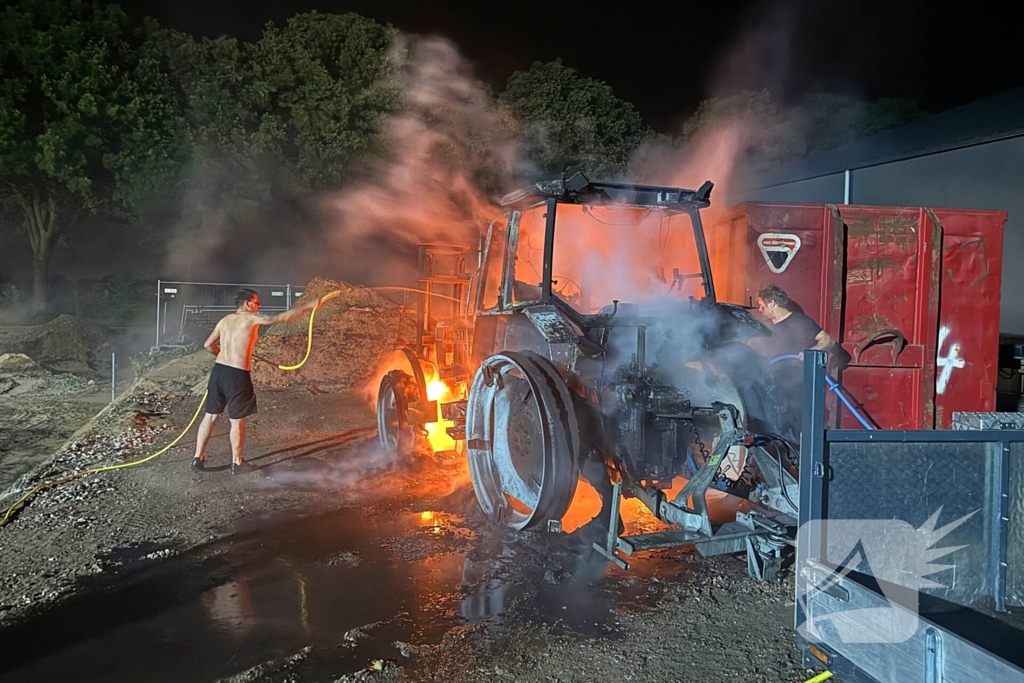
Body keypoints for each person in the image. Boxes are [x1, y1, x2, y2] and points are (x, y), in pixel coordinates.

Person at [192, 289, 320, 475]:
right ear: (247, 303)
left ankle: (198, 458)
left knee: (210, 416)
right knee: (236, 422)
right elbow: (283, 318)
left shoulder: (225, 321)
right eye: (257, 303)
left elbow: (207, 345)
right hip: (236, 375)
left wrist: (223, 356)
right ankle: (237, 463)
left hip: (219, 372)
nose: (258, 306)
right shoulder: (251, 319)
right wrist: (309, 306)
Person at [756, 284, 839, 362]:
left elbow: (828, 340)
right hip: (771, 375)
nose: (759, 309)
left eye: (761, 305)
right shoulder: (765, 326)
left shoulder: (801, 322)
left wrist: (809, 353)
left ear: (771, 304)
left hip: (796, 375)